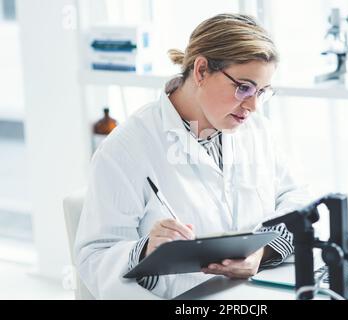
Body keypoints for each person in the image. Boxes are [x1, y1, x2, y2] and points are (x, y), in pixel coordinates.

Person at [75, 13, 310, 300]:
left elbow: (296, 200)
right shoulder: (126, 148)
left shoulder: (256, 130)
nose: (254, 106)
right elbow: (95, 258)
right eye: (244, 88)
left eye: (262, 92)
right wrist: (145, 249)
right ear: (201, 71)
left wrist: (261, 253)